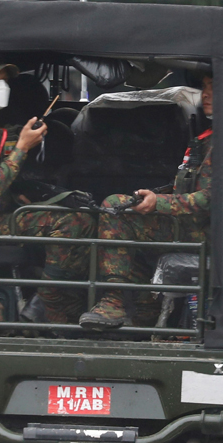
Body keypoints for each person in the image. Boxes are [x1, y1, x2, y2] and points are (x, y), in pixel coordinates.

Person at [79, 71, 214, 330]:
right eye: (204, 86)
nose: (206, 93)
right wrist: (152, 196)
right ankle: (143, 310)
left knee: (114, 208)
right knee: (122, 207)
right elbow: (189, 187)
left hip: (204, 232)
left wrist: (158, 203)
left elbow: (209, 199)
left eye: (213, 88)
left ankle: (114, 303)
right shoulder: (209, 139)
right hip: (190, 226)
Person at [0, 64, 97, 324]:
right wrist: (22, 147)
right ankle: (46, 303)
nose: (2, 88)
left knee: (78, 216)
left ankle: (48, 302)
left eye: (4, 82)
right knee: (71, 222)